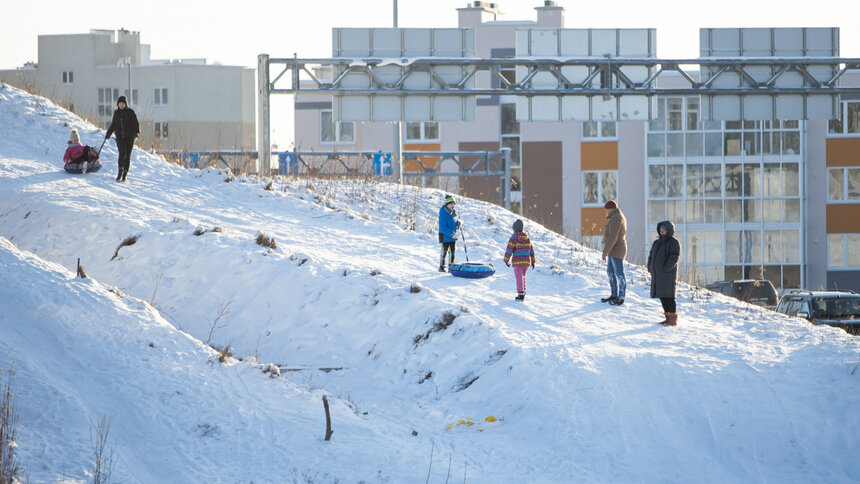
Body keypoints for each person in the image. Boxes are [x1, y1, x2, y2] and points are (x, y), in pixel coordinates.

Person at [647, 220, 681, 326]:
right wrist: (650, 267)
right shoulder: (656, 242)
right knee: (662, 296)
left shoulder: (674, 242)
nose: (662, 231)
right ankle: (667, 317)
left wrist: (666, 268)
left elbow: (674, 257)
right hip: (658, 275)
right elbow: (651, 256)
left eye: (664, 230)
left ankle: (672, 319)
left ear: (669, 230)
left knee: (669, 297)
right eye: (660, 229)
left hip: (668, 275)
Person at [105, 95, 139, 182]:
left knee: (127, 156)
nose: (121, 105)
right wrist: (108, 133)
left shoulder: (131, 112)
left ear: (125, 104)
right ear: (118, 104)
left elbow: (136, 125)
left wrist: (135, 134)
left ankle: (125, 175)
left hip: (129, 138)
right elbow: (114, 125)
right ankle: (120, 172)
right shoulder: (117, 113)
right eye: (120, 103)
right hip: (120, 137)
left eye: (123, 103)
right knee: (122, 154)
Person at [600, 200, 627, 306]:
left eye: (606, 210)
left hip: (617, 250)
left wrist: (605, 251)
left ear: (611, 209)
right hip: (612, 250)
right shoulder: (614, 217)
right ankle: (614, 294)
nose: (606, 212)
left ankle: (621, 296)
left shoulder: (616, 218)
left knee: (619, 274)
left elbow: (613, 236)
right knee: (610, 272)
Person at [503, 219, 536, 301]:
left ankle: (520, 294)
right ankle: (523, 291)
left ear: (514, 229)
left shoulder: (514, 238)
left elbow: (509, 249)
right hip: (526, 262)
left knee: (519, 277)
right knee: (523, 276)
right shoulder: (526, 238)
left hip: (518, 261)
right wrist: (533, 261)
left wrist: (506, 260)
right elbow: (531, 250)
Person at [438, 195, 460, 272]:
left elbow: (453, 222)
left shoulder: (453, 212)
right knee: (444, 251)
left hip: (452, 235)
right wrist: (450, 233)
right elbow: (442, 227)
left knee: (453, 251)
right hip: (445, 235)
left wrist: (457, 223)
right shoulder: (443, 213)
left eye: (454, 204)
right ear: (447, 205)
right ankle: (441, 266)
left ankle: (451, 266)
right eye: (451, 204)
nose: (453, 205)